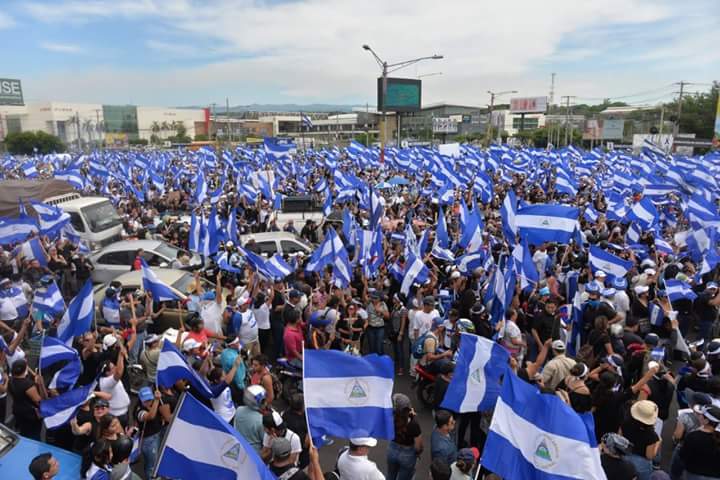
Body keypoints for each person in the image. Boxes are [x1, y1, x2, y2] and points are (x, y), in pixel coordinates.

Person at [620, 400, 661, 480]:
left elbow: (620, 438)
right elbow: (649, 456)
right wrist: (658, 443)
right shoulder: (651, 435)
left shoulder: (625, 423)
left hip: (625, 456)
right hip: (641, 463)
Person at [678, 405, 720, 480]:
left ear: (706, 421)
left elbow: (683, 456)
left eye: (701, 415)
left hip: (694, 474)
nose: (699, 415)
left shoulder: (693, 437)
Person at [386, 393, 422, 480]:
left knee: (391, 474)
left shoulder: (389, 418)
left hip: (392, 450)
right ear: (408, 408)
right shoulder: (413, 424)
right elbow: (418, 446)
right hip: (407, 454)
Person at [9, 358, 45, 440]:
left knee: (23, 432)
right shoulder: (28, 385)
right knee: (33, 436)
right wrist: (40, 385)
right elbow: (39, 401)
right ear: (24, 370)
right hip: (30, 415)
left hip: (17, 410)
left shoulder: (10, 381)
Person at [134, 387, 164, 480]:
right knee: (150, 465)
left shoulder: (152, 405)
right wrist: (156, 400)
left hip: (156, 436)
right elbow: (150, 416)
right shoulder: (139, 411)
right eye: (146, 400)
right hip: (148, 441)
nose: (148, 402)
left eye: (150, 399)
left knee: (155, 461)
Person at [234, 385, 267, 455]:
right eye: (263, 401)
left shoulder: (239, 409)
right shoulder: (261, 420)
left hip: (238, 447)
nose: (265, 403)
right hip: (254, 453)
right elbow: (264, 441)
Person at [366, 291, 389, 356]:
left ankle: (380, 362)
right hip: (370, 328)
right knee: (372, 347)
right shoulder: (369, 303)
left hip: (380, 328)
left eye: (376, 298)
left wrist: (380, 310)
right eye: (373, 298)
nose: (374, 299)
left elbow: (388, 316)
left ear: (379, 298)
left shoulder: (383, 304)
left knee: (379, 347)